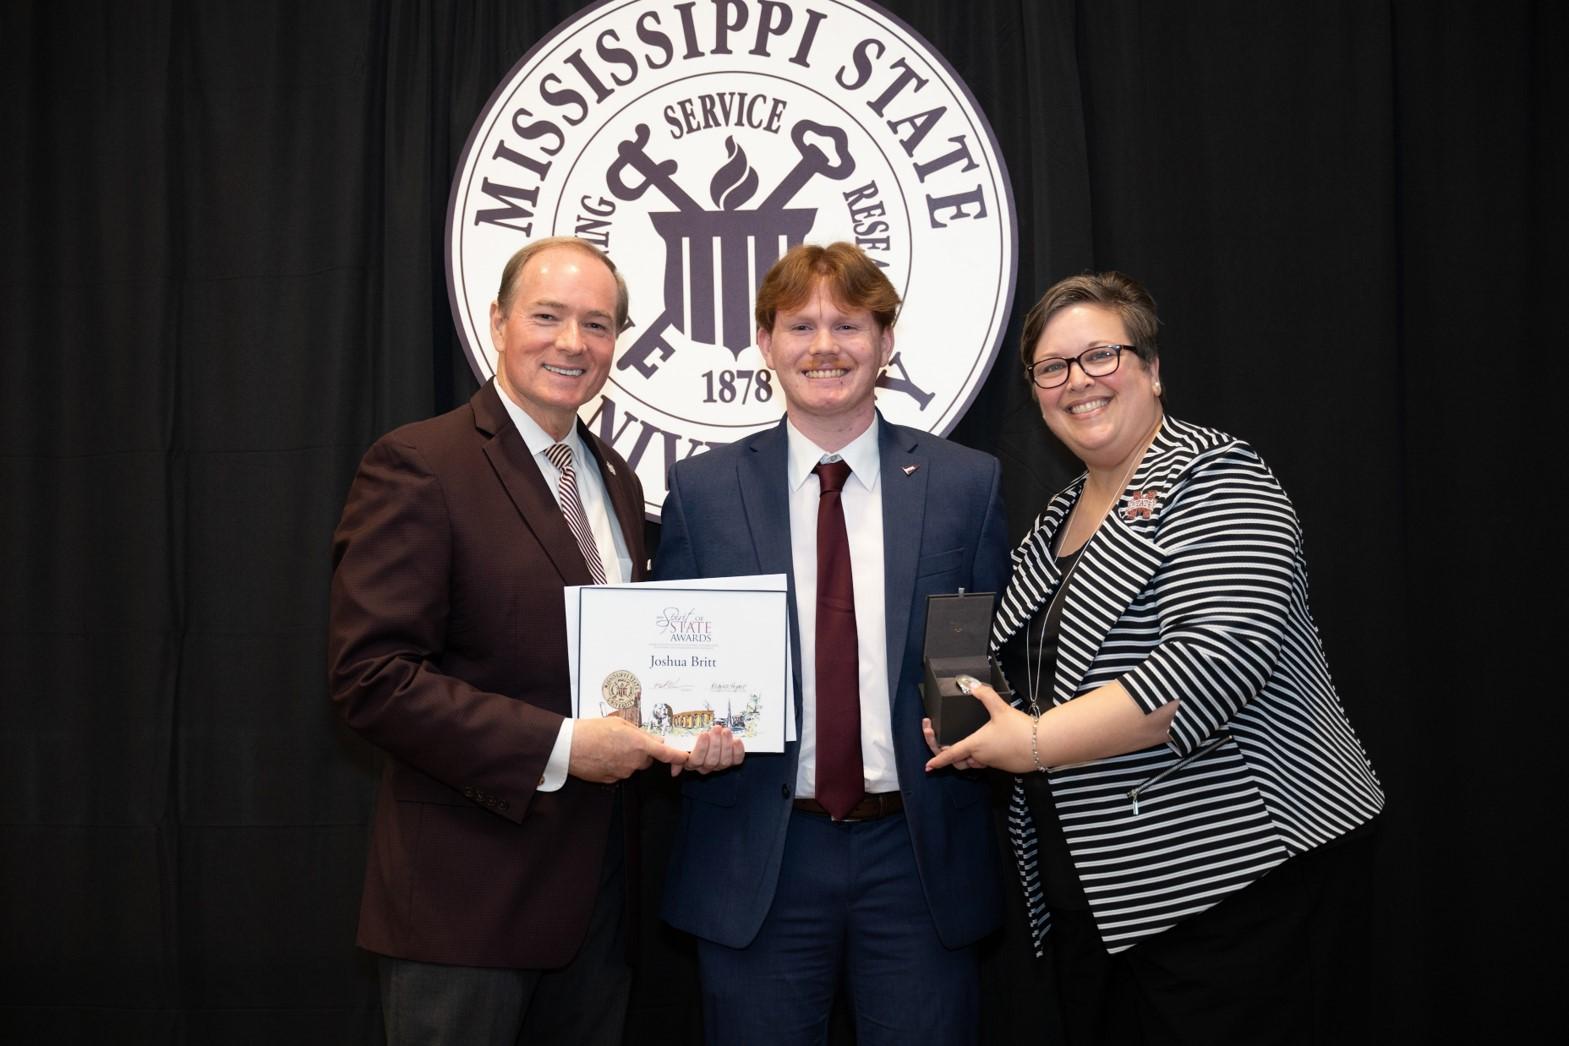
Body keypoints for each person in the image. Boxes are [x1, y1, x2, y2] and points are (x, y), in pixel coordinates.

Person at [926, 271, 1385, 1044]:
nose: (1077, 381)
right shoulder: (1054, 521)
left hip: (1236, 877)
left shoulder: (1218, 476)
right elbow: (1022, 670)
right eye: (1052, 367)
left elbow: (1208, 665)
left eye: (1100, 355)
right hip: (1102, 901)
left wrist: (1029, 745)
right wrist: (973, 722)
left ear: (1151, 368)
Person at [328, 237, 732, 1045]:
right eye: (547, 317)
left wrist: (691, 729)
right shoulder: (420, 463)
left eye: (596, 323)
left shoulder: (614, 477)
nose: (572, 343)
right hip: (464, 906)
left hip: (598, 901)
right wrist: (560, 746)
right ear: (498, 322)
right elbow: (371, 678)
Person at [653, 242, 1011, 1044]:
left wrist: (987, 721)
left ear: (886, 342)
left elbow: (994, 647)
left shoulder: (966, 482)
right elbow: (673, 664)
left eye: (849, 324)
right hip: (758, 854)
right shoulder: (701, 491)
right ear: (765, 343)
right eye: (800, 325)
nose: (825, 346)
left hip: (917, 855)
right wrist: (681, 731)